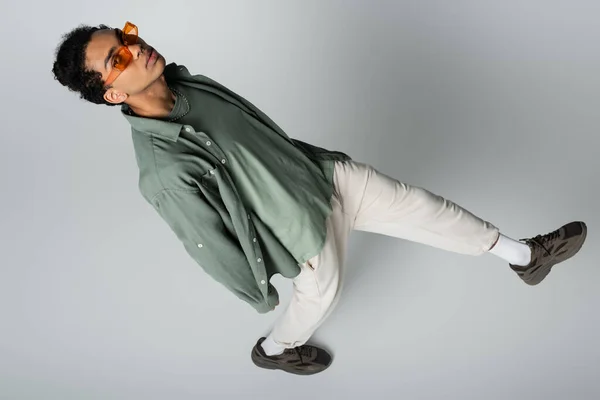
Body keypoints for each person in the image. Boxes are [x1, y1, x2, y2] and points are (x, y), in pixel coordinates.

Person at [52, 21, 587, 376]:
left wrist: (309, 161)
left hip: (324, 176)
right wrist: (259, 291)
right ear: (113, 94)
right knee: (318, 301)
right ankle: (274, 350)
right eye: (118, 57)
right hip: (301, 234)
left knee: (427, 208)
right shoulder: (162, 170)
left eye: (125, 34)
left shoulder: (190, 84)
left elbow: (260, 134)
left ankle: (525, 257)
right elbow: (207, 244)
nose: (135, 47)